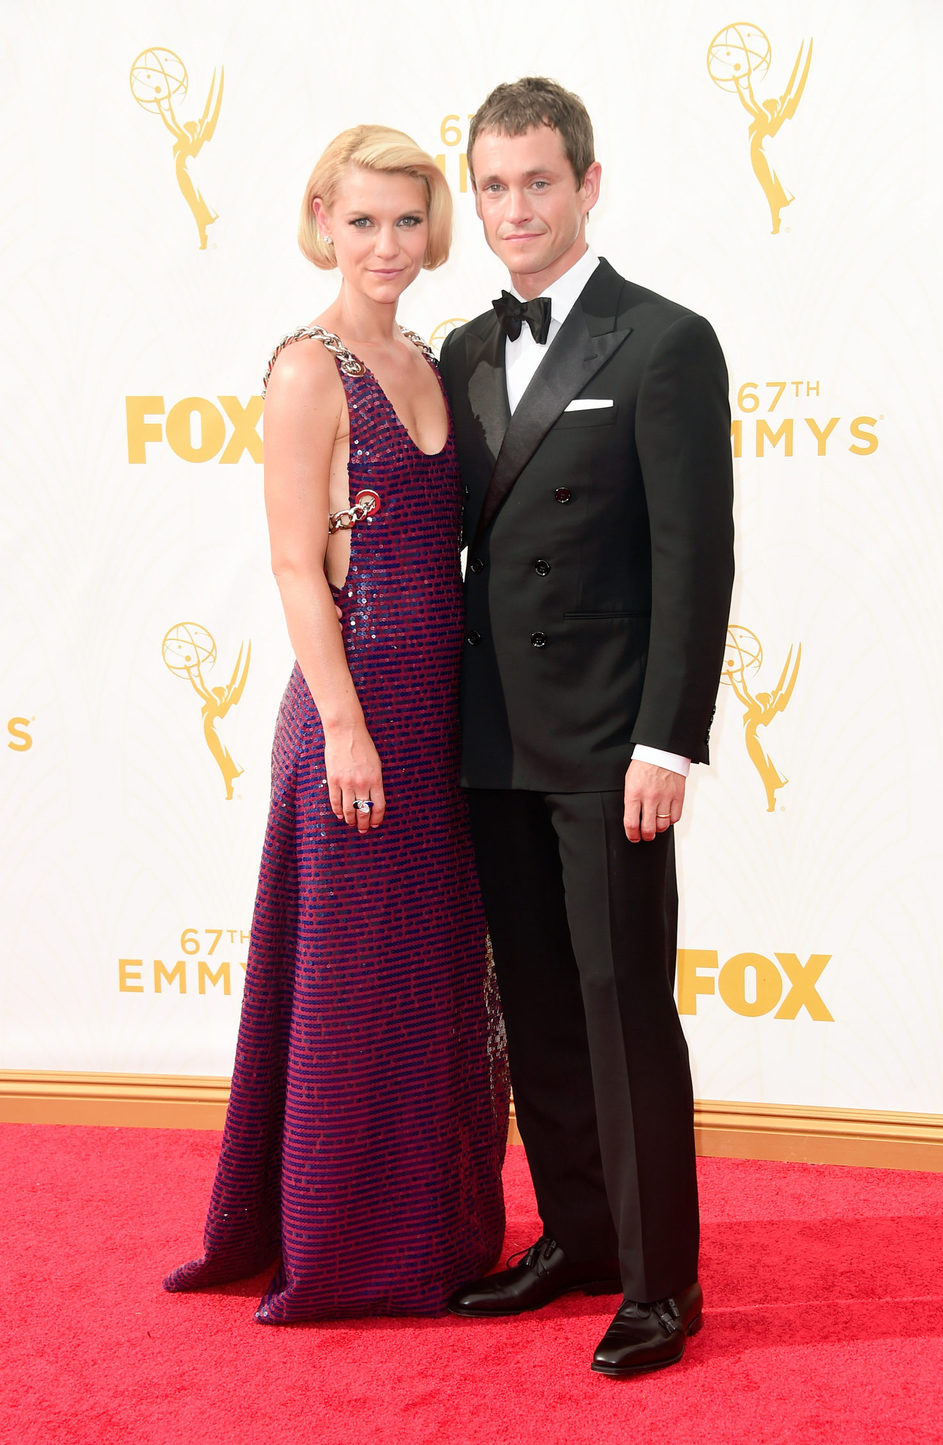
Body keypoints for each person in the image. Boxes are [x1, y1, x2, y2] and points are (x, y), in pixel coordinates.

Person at [164, 126, 508, 1321]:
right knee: (350, 990)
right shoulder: (309, 367)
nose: (385, 244)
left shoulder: (427, 354)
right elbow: (296, 566)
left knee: (428, 981)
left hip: (443, 710)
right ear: (321, 218)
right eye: (361, 220)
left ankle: (436, 1229)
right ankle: (343, 1244)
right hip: (355, 710)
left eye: (407, 220)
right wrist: (346, 729)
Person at [439, 78, 735, 1375]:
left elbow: (695, 559)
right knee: (544, 1010)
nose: (516, 208)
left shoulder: (664, 341)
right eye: (494, 185)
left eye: (538, 182)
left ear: (589, 183)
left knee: (623, 1010)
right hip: (492, 740)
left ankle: (662, 1281)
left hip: (612, 746)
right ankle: (578, 1234)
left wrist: (667, 741)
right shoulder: (458, 348)